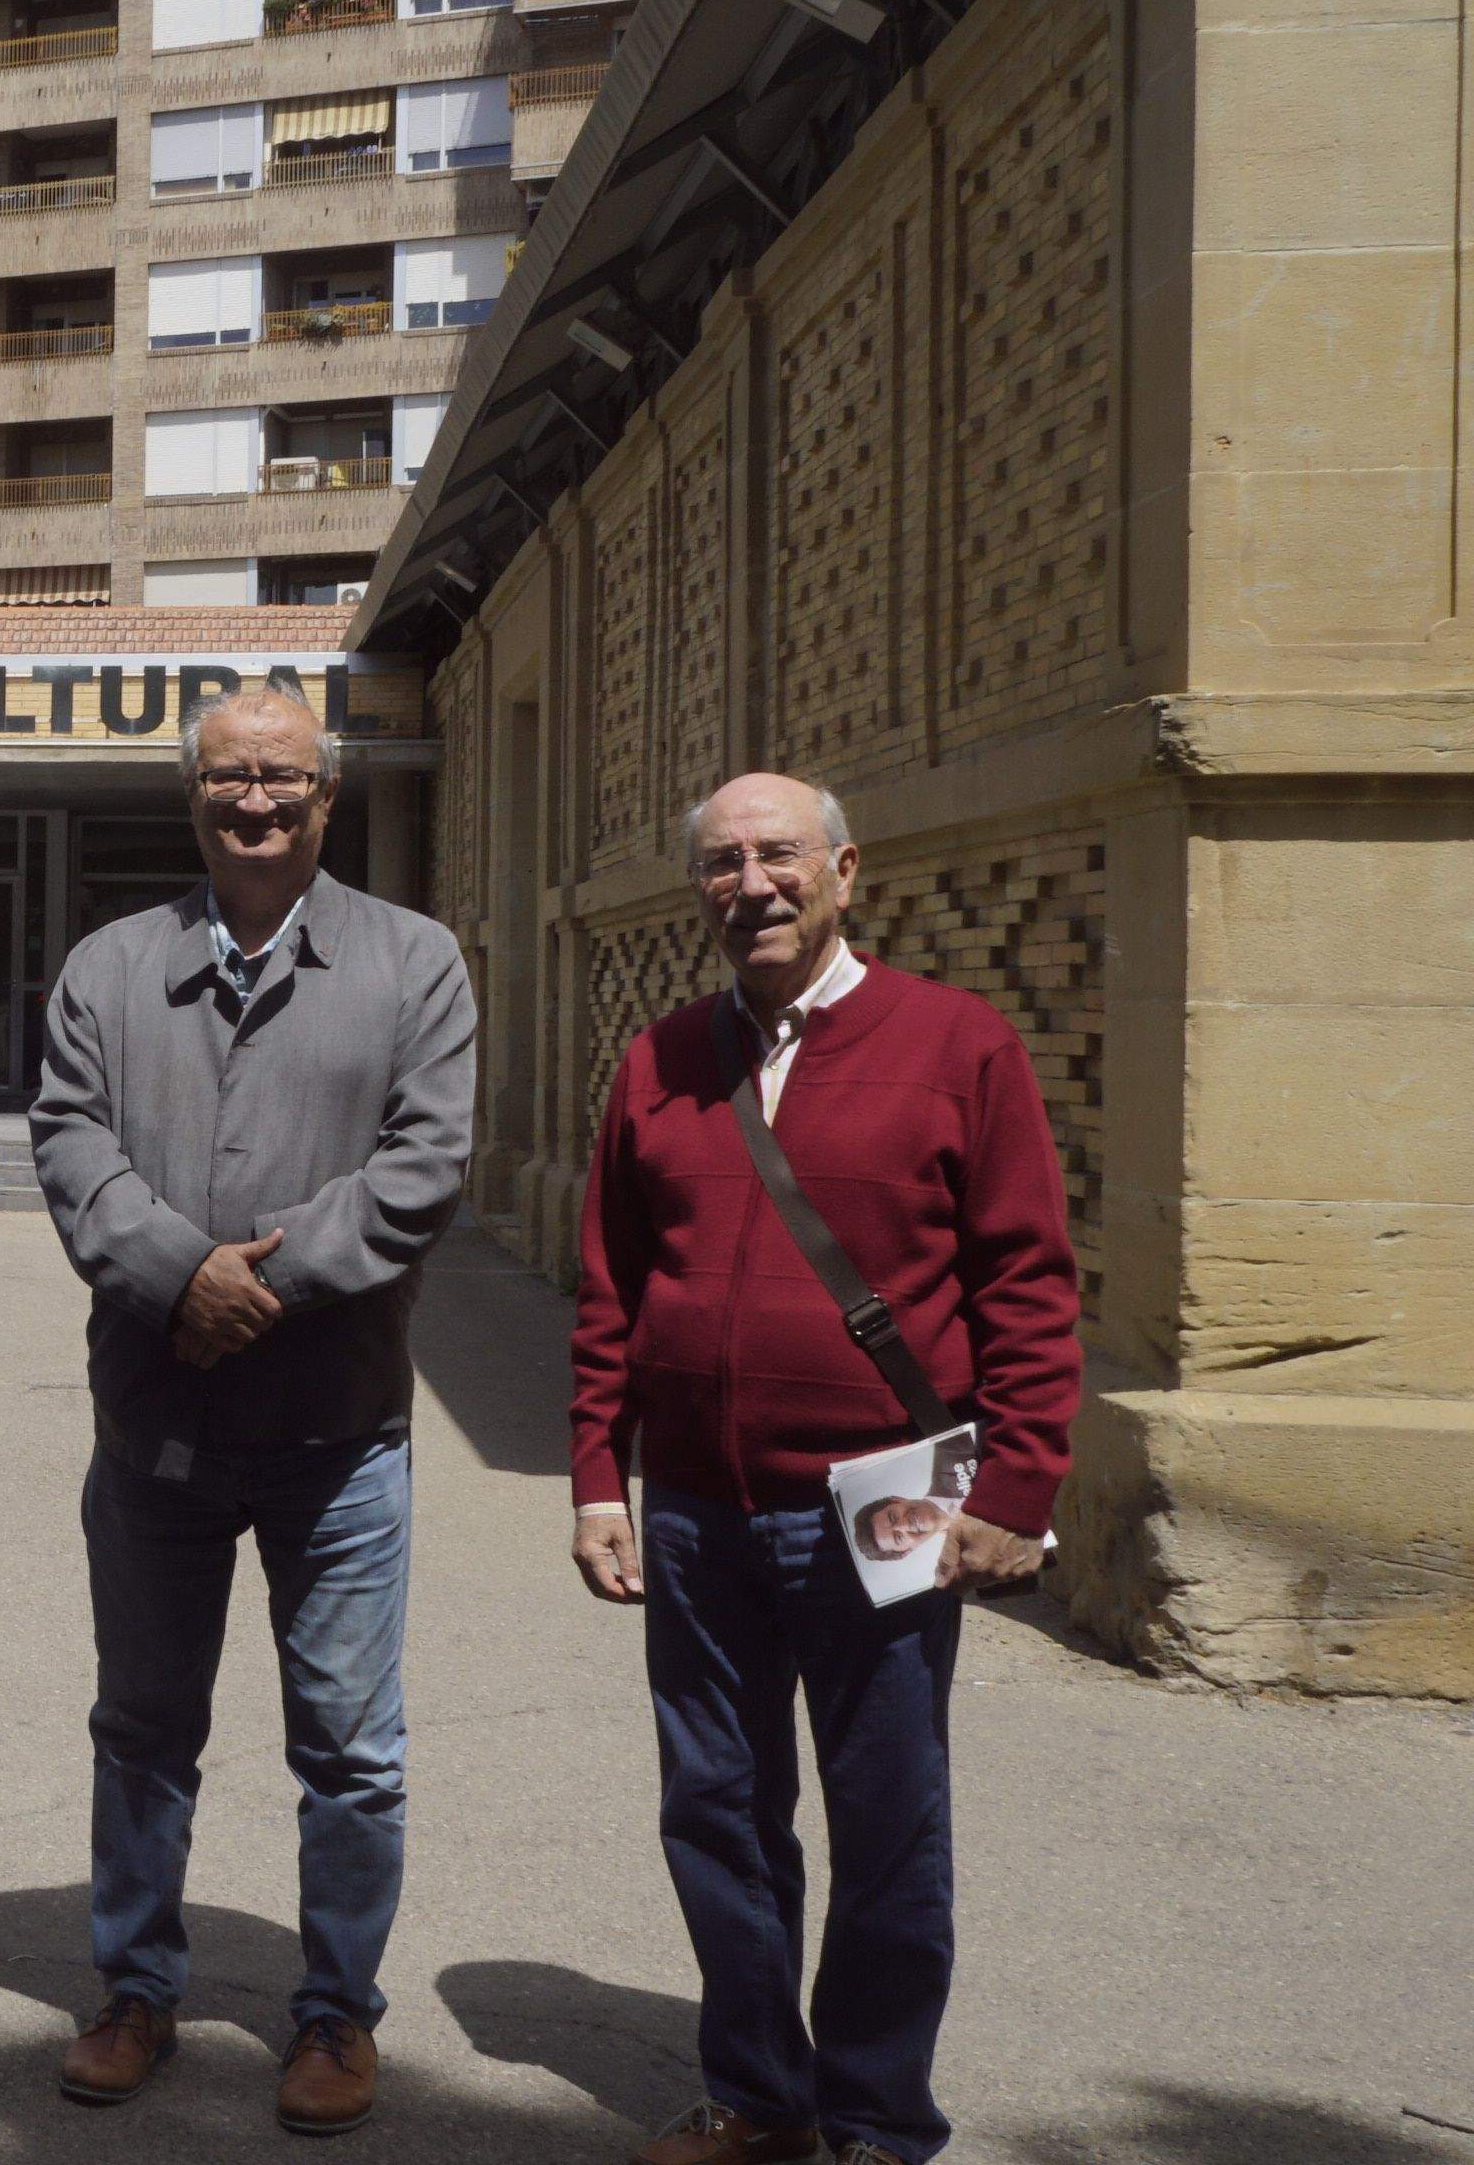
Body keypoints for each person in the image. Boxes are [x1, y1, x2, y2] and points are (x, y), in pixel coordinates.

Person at [571, 774, 1084, 2165]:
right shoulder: (659, 1059)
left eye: (780, 855)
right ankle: (760, 2098)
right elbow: (610, 1289)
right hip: (690, 1507)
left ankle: (874, 2118)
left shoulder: (957, 1042)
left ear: (844, 870)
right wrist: (595, 1479)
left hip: (894, 1493)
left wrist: (1017, 1492)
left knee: (889, 1825)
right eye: (725, 864)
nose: (754, 884)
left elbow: (1027, 1286)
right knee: (720, 1819)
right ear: (703, 891)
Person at [28, 683, 476, 2136]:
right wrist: (177, 1271)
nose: (257, 802)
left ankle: (336, 2014)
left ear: (328, 796)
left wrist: (265, 1286)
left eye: (284, 778)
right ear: (195, 795)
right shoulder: (109, 966)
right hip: (156, 1424)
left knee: (349, 1748)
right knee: (143, 1727)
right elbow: (70, 1141)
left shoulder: (415, 963)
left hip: (338, 1431)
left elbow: (423, 1165)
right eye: (230, 779)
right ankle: (136, 1988)